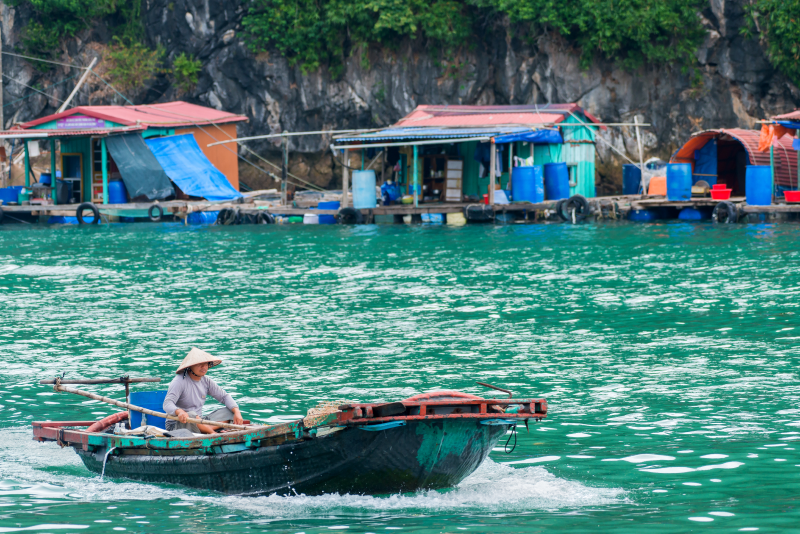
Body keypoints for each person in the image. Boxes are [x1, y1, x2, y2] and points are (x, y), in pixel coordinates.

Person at [163, 347, 244, 434]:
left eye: (205, 364)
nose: (203, 367)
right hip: (178, 425)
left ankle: (205, 429)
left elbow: (224, 397)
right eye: (199, 364)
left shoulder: (206, 381)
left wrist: (237, 411)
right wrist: (179, 412)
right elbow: (167, 403)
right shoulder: (179, 381)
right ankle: (213, 433)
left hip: (199, 421)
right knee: (191, 414)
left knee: (230, 411)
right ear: (190, 366)